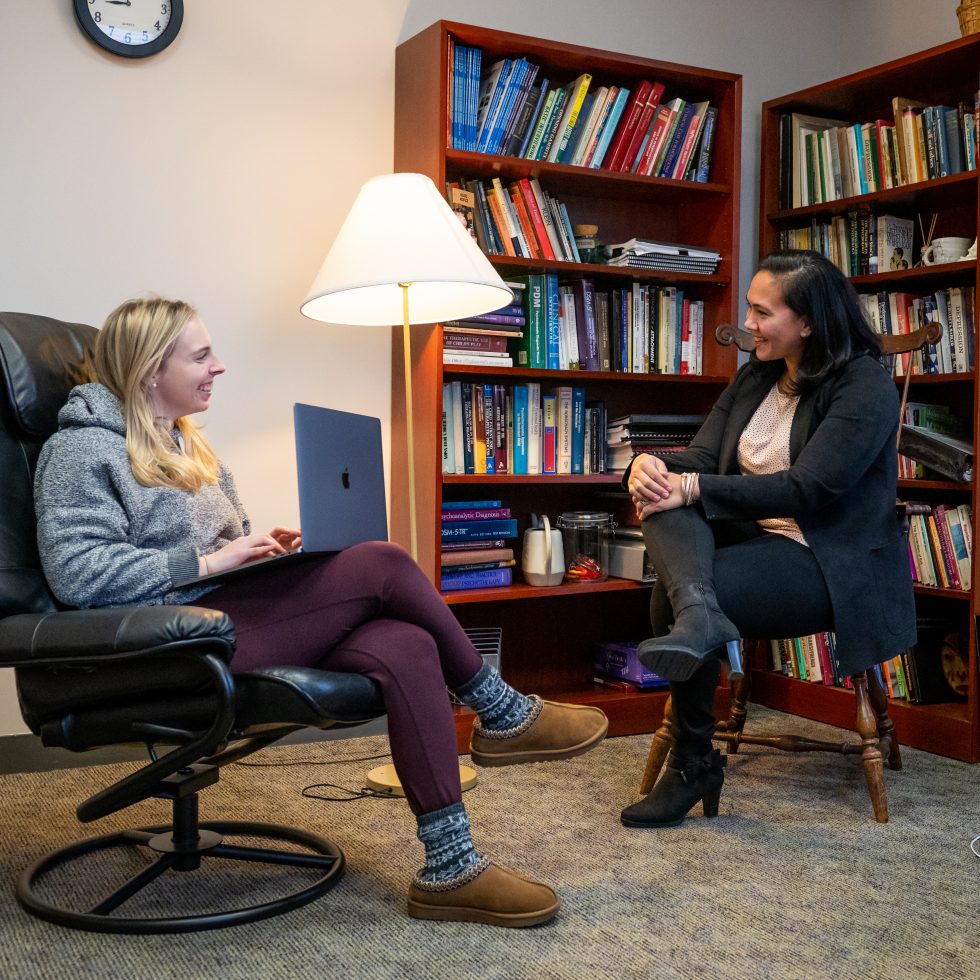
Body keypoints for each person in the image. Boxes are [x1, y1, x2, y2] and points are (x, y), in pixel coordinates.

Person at [33, 296, 608, 928]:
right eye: (201, 355)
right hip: (164, 647)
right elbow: (79, 576)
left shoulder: (190, 447)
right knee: (384, 561)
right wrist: (211, 564)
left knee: (403, 645)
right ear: (148, 370)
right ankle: (500, 710)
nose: (219, 366)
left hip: (224, 620)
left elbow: (224, 548)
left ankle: (451, 868)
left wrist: (258, 554)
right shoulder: (81, 452)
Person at [619, 249, 916, 829]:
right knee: (663, 501)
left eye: (761, 312)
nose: (747, 325)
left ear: (807, 322)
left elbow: (810, 488)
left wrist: (692, 486)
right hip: (754, 538)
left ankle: (693, 760)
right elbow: (702, 457)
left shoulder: (864, 386)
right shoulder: (758, 375)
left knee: (674, 593)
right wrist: (649, 466)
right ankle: (699, 624)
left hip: (828, 559)